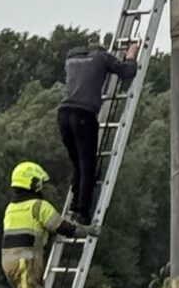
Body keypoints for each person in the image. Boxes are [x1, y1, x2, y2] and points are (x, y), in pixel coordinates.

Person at [57, 36, 141, 224]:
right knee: (88, 165)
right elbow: (127, 72)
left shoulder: (71, 59)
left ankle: (73, 207)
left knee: (78, 164)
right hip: (84, 116)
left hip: (63, 115)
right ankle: (82, 213)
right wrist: (131, 56)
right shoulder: (102, 58)